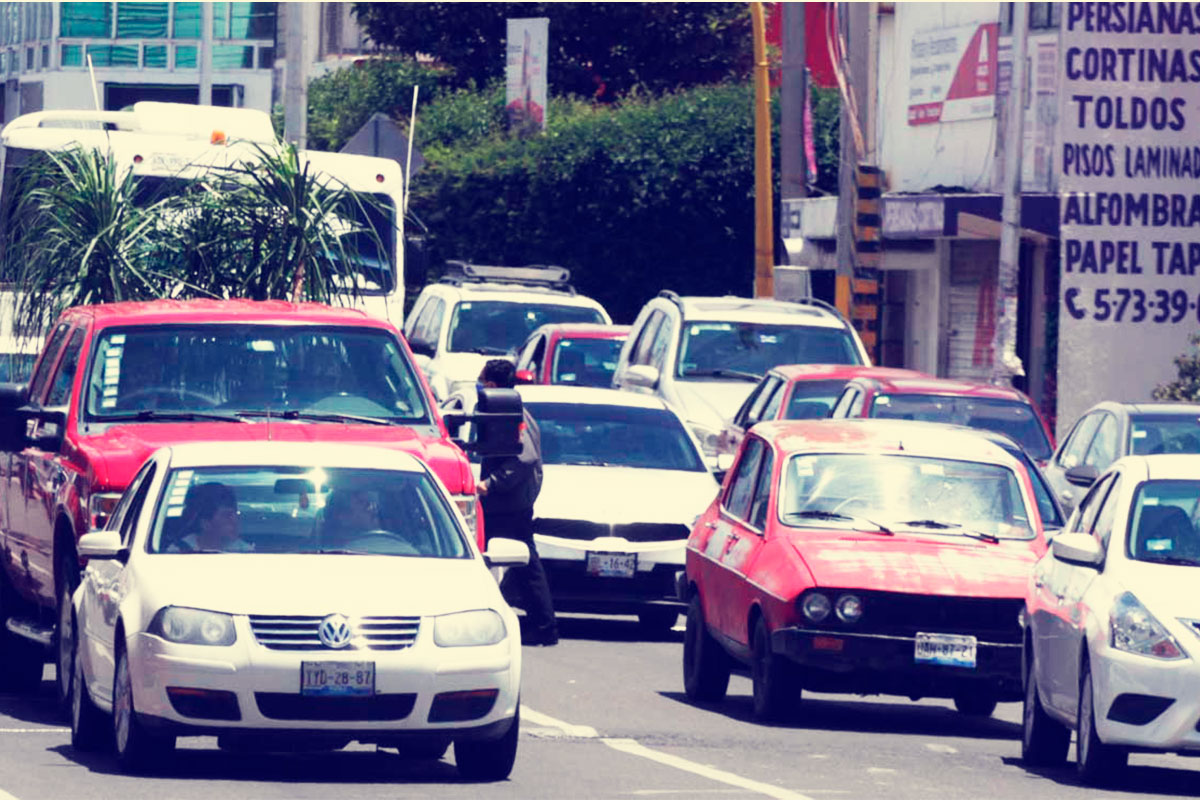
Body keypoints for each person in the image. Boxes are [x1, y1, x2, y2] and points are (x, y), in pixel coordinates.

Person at [477, 358, 558, 646]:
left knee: (524, 564)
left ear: (491, 385)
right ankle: (539, 624)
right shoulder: (507, 412)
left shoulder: (514, 415)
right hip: (506, 501)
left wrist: (490, 483)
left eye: (482, 381)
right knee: (519, 564)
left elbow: (525, 459)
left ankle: (544, 627)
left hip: (508, 503)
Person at [172, 483, 253, 552]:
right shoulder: (176, 552)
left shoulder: (246, 552)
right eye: (227, 516)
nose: (235, 520)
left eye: (236, 514)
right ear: (205, 523)